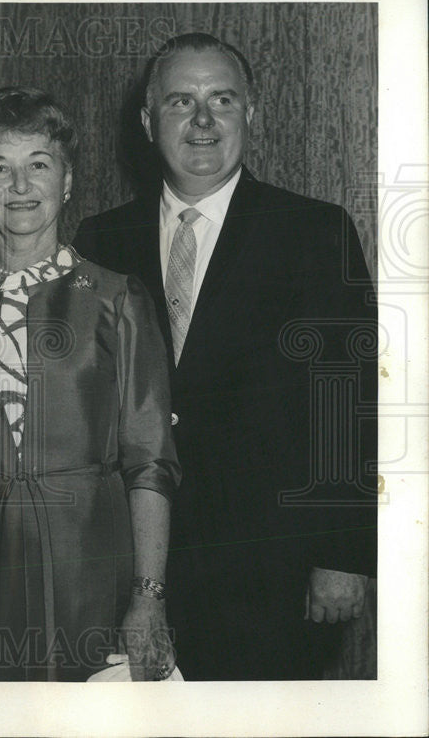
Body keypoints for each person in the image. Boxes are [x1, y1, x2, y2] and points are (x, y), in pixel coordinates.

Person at [74, 33, 378, 680]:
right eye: (182, 101)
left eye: (223, 100)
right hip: (132, 570)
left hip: (272, 574)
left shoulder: (314, 233)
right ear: (148, 119)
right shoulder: (101, 240)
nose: (204, 120)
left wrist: (344, 553)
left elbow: (347, 404)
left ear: (252, 113)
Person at [0, 86, 182, 682]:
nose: (21, 186)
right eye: (0, 168)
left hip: (88, 562)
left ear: (68, 181)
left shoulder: (115, 298)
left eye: (40, 165)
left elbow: (150, 461)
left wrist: (148, 596)